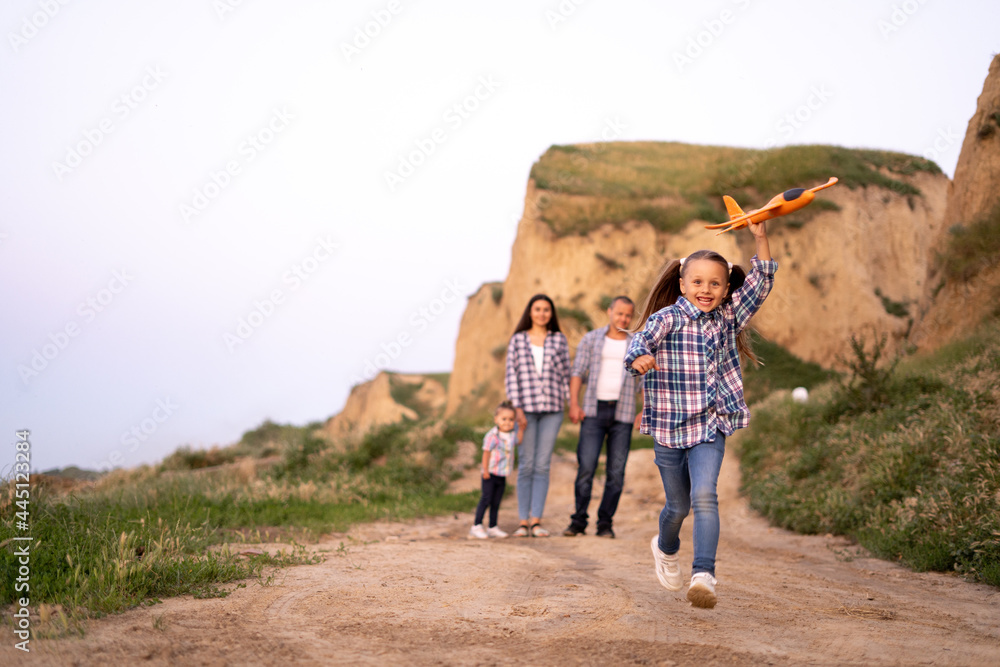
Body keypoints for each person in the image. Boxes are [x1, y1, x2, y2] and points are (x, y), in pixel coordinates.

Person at [625, 219, 774, 609]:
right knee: (679, 506)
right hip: (670, 426)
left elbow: (761, 284)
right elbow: (640, 338)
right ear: (682, 284)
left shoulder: (728, 317)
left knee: (706, 495)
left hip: (711, 422)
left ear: (726, 289)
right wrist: (639, 356)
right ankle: (665, 546)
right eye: (698, 283)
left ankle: (704, 574)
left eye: (715, 284)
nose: (705, 290)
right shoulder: (668, 318)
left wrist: (760, 236)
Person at [563, 296, 642, 539]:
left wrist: (644, 411)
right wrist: (574, 403)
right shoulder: (591, 339)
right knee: (586, 466)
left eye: (628, 315)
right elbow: (577, 372)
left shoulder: (637, 342)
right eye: (619, 313)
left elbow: (647, 379)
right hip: (593, 411)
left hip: (624, 412)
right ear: (609, 312)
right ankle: (578, 521)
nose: (623, 319)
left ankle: (605, 524)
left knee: (616, 472)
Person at [504, 294, 570, 538]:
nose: (542, 313)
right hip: (526, 410)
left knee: (542, 465)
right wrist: (517, 409)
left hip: (553, 409)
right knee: (526, 466)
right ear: (530, 313)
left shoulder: (559, 339)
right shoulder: (518, 340)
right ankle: (522, 521)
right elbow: (512, 376)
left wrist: (571, 404)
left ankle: (536, 520)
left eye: (546, 310)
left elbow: (565, 374)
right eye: (537, 309)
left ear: (551, 314)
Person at [469, 401, 522, 539]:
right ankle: (477, 525)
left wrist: (521, 428)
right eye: (504, 419)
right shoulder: (492, 436)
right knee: (486, 498)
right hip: (490, 473)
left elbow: (518, 441)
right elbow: (486, 453)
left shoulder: (511, 435)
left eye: (511, 419)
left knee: (496, 501)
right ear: (496, 419)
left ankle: (493, 527)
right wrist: (485, 469)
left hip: (502, 474)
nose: (507, 422)